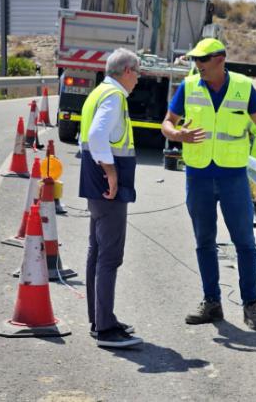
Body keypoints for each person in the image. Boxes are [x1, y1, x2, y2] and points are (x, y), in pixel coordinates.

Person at [161, 38, 256, 331]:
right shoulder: (189, 87)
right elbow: (167, 122)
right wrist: (178, 135)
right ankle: (212, 301)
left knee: (245, 244)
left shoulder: (242, 87)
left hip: (233, 178)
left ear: (220, 60)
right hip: (198, 176)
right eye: (195, 60)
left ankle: (250, 306)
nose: (197, 65)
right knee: (204, 242)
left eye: (202, 60)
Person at [79, 47, 143, 349]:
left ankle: (100, 318)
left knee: (97, 253)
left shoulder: (99, 92)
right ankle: (105, 328)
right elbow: (97, 135)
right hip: (108, 188)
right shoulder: (115, 97)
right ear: (127, 71)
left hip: (94, 185)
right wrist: (112, 172)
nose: (139, 78)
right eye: (138, 72)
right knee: (109, 257)